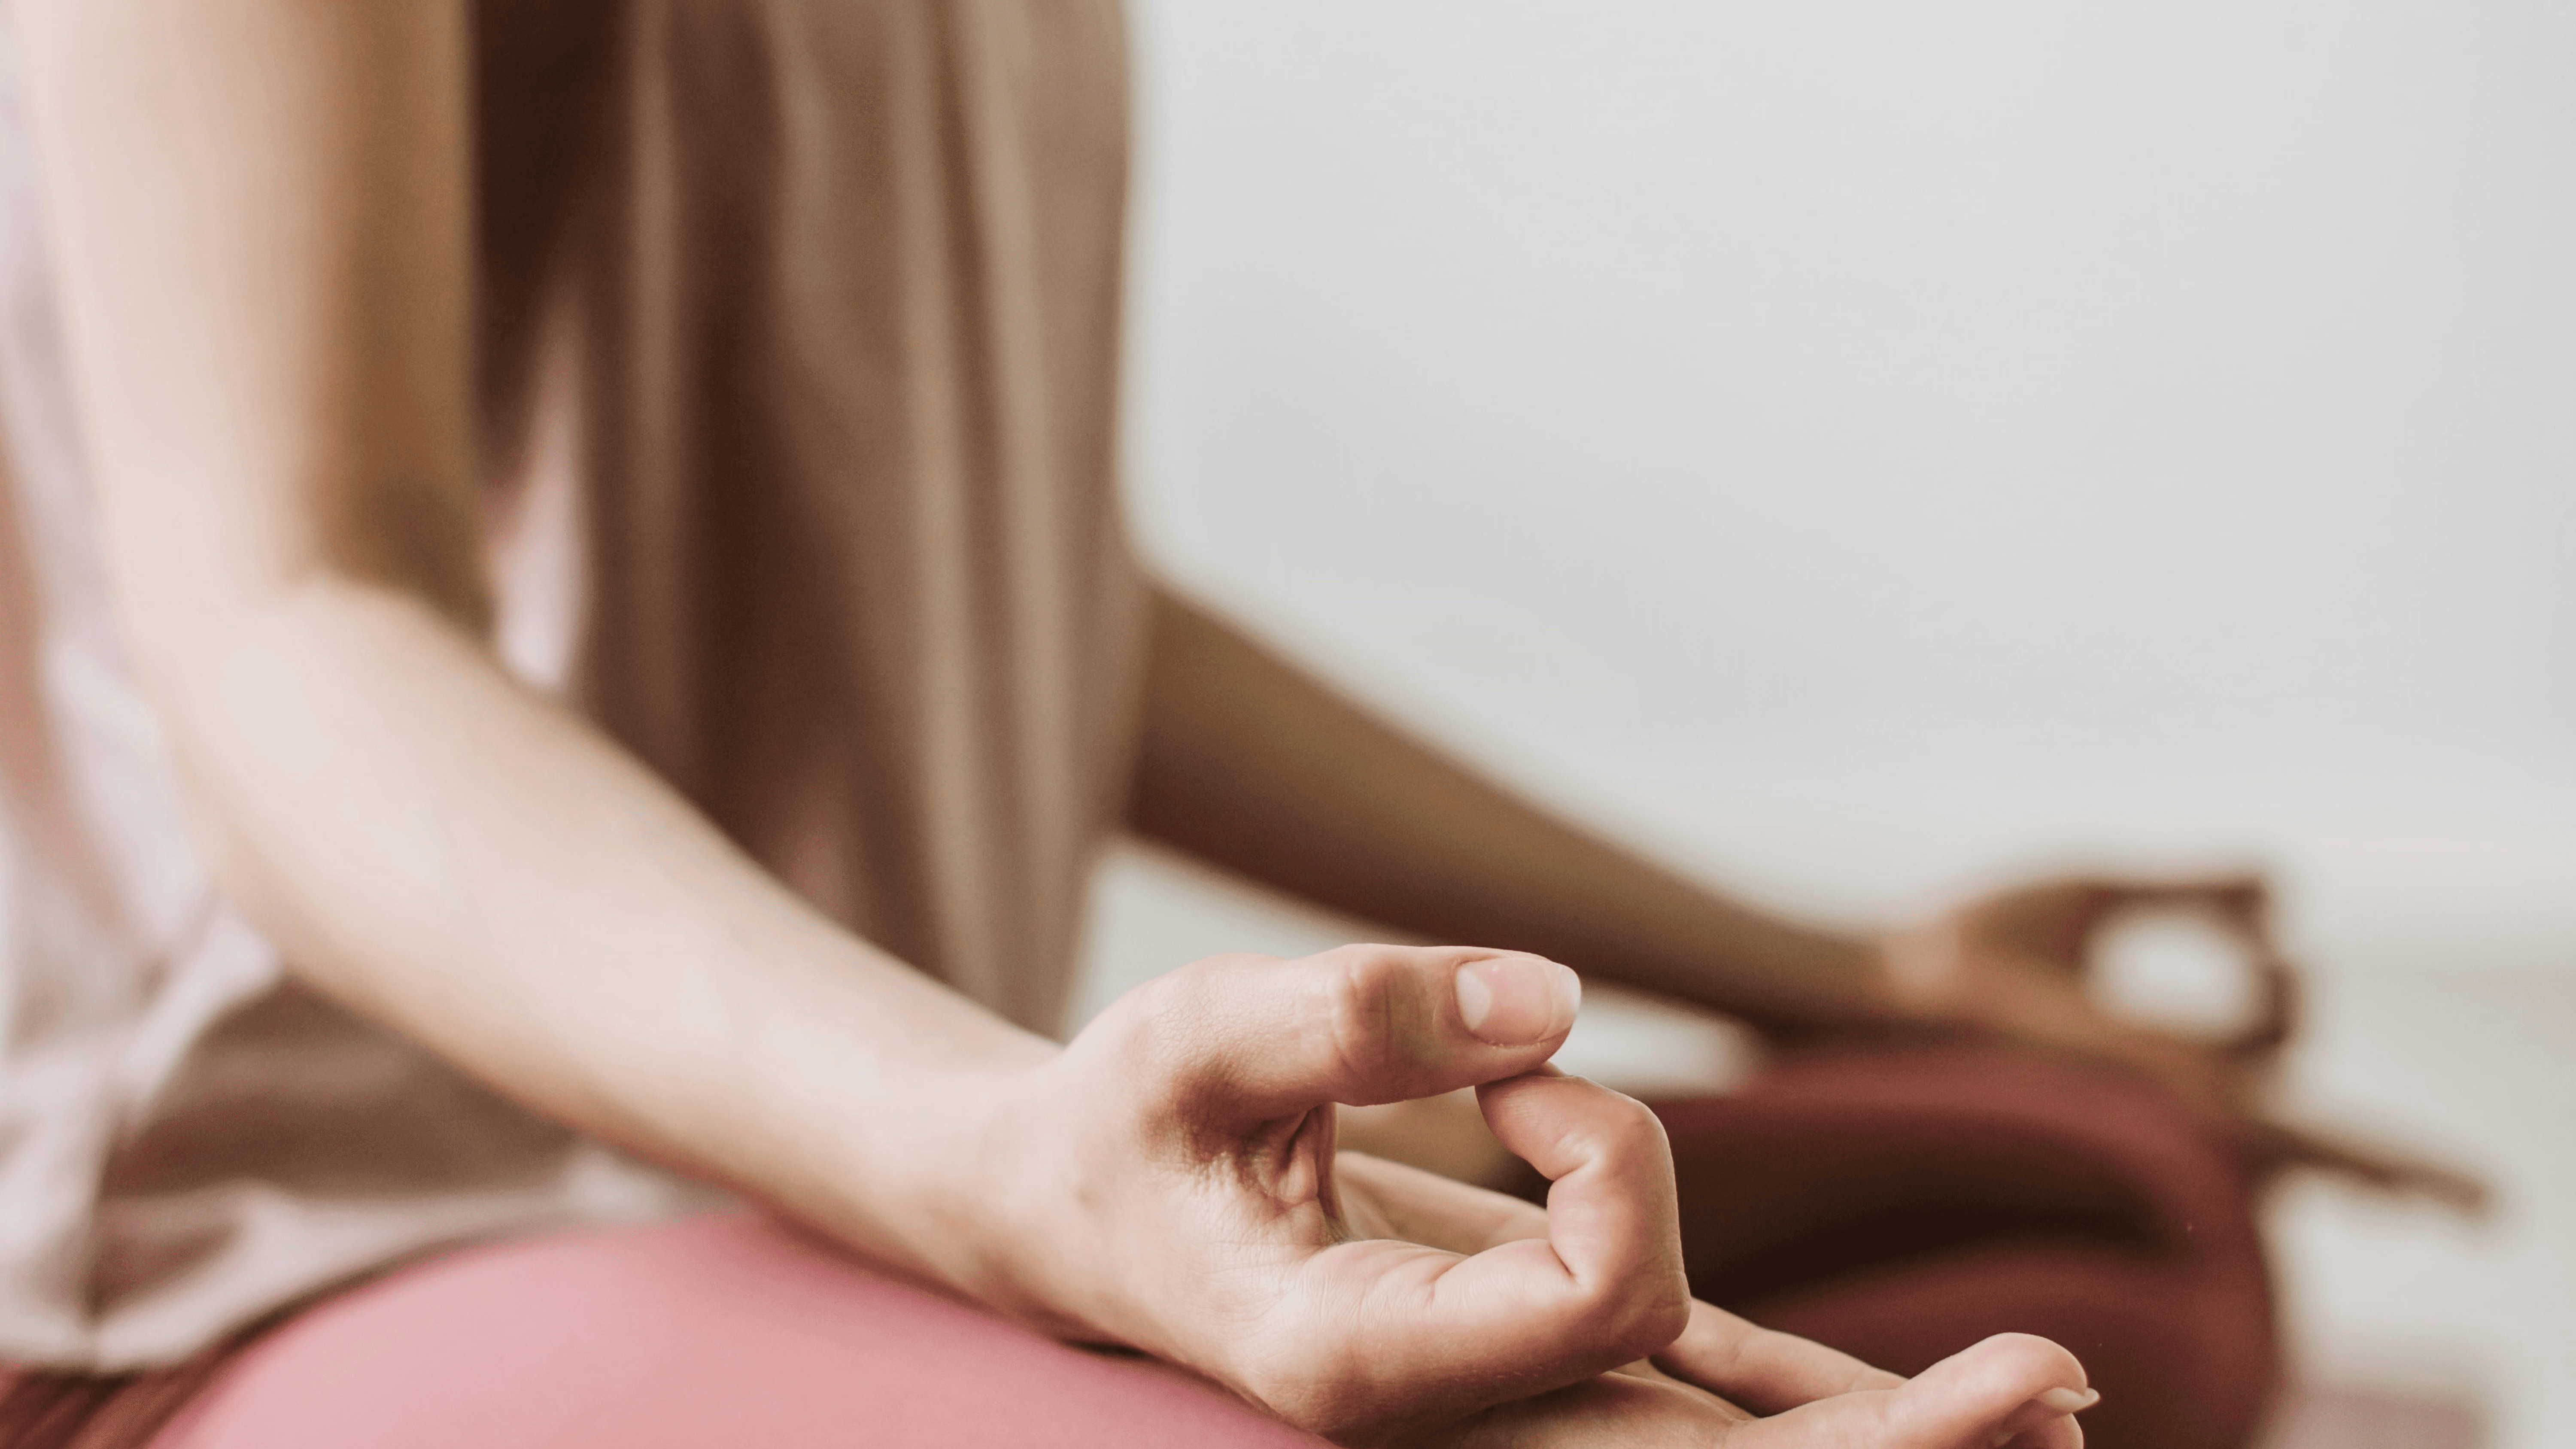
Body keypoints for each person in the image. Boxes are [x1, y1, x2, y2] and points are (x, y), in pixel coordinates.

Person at [0, 2, 2300, 1445]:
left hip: (833, 1164)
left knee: (2130, 1221)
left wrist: (1856, 969)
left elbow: (1040, 597)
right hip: (262, 1252)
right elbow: (297, 619)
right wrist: (1024, 1173)